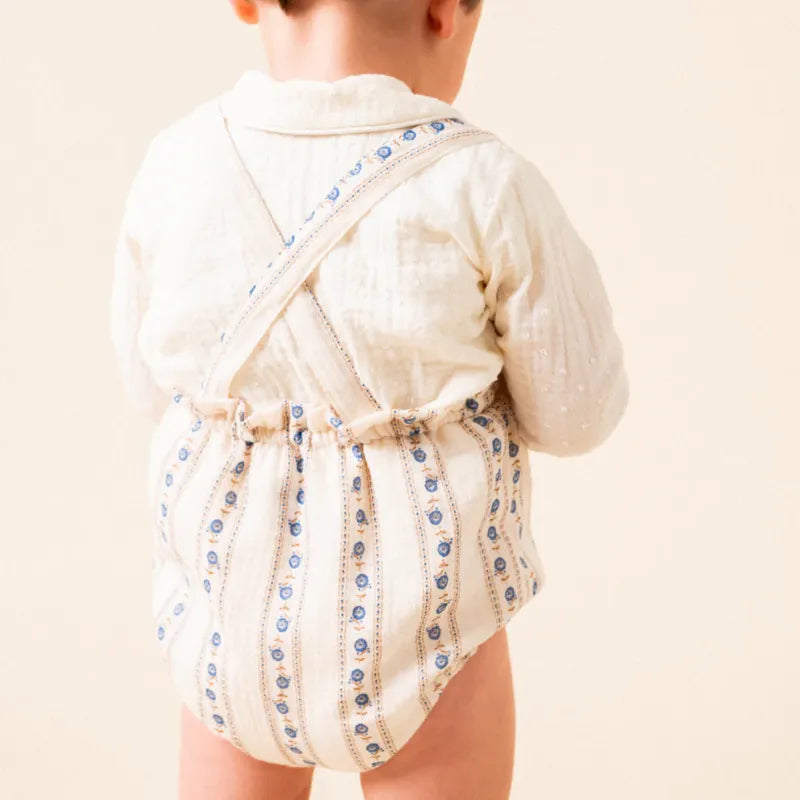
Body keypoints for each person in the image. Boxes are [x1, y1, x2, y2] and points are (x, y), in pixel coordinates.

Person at [109, 1, 630, 797]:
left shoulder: (176, 165)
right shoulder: (483, 182)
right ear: (447, 11)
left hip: (234, 628)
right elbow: (578, 411)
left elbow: (150, 387)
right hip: (428, 625)